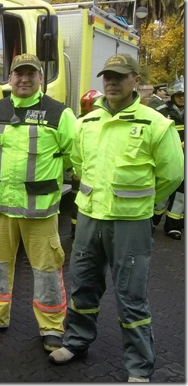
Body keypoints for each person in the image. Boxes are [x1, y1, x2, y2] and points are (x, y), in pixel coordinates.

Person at [48, 54, 184, 382]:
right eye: (107, 76)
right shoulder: (86, 124)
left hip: (130, 224)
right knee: (83, 285)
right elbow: (79, 165)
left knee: (131, 296)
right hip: (91, 218)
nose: (111, 82)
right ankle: (77, 341)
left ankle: (139, 367)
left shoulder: (156, 124)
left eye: (119, 76)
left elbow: (173, 174)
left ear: (135, 81)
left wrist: (142, 204)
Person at [0, 54, 76, 353]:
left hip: (39, 211)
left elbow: (72, 155)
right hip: (1, 207)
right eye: (18, 74)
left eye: (31, 73)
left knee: (47, 270)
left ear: (40, 78)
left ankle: (52, 327)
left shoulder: (59, 113)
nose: (24, 79)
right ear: (10, 78)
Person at [153, 78, 184, 240]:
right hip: (167, 160)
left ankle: (174, 226)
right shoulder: (161, 112)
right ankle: (152, 221)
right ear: (173, 96)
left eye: (185, 95)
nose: (182, 98)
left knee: (181, 196)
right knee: (161, 192)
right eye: (179, 95)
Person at [69, 89, 103, 238]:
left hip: (89, 170)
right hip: (81, 171)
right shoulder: (80, 123)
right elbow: (74, 151)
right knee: (79, 201)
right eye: (97, 104)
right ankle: (76, 230)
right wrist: (77, 172)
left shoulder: (97, 121)